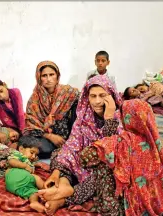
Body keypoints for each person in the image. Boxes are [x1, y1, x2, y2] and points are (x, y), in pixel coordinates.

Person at [39, 75, 123, 215]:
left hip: (106, 166)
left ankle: (64, 199)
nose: (97, 101)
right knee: (59, 153)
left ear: (111, 96)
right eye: (92, 96)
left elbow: (112, 149)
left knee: (104, 177)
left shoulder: (121, 117)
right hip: (84, 162)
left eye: (102, 95)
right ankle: (64, 183)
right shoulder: (84, 116)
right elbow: (72, 145)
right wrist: (55, 174)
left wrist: (109, 118)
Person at [80, 99, 163, 215]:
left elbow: (85, 157)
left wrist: (109, 123)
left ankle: (110, 209)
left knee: (105, 161)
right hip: (157, 204)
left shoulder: (122, 142)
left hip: (127, 206)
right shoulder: (157, 146)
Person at [23, 61, 80, 159]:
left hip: (68, 134)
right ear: (39, 77)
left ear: (57, 76)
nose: (48, 79)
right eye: (44, 76)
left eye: (51, 75)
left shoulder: (68, 92)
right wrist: (50, 136)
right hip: (46, 138)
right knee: (25, 140)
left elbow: (86, 101)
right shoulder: (34, 99)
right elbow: (32, 125)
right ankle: (62, 148)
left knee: (78, 105)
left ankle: (71, 144)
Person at [5, 136, 46, 212]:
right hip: (14, 173)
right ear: (21, 149)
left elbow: (31, 163)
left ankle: (34, 202)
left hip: (13, 186)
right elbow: (11, 161)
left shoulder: (29, 160)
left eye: (36, 155)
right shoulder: (18, 154)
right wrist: (25, 166)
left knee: (33, 192)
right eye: (32, 152)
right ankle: (47, 190)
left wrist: (36, 164)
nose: (34, 156)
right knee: (37, 178)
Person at [0, 78, 25, 149]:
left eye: (1, 91)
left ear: (4, 85)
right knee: (4, 137)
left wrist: (23, 132)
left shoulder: (16, 92)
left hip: (24, 124)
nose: (2, 96)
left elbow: (20, 114)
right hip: (11, 129)